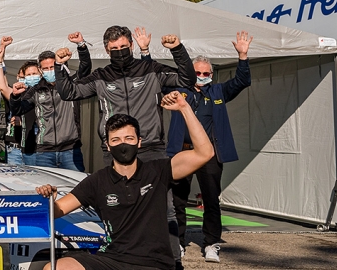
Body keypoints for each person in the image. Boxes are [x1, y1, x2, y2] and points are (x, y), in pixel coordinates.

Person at [55, 26, 195, 267]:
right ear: (107, 50)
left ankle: (173, 261)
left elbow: (186, 79)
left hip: (150, 148)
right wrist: (60, 65)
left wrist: (177, 50)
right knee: (114, 207)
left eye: (123, 47)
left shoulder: (150, 69)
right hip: (114, 150)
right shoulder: (101, 76)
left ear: (131, 46)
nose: (119, 52)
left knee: (165, 208)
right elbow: (69, 92)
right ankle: (120, 256)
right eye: (114, 49)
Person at [35, 92, 214, 270]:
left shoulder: (159, 170)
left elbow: (205, 153)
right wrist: (48, 197)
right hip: (112, 259)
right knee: (55, 267)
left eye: (129, 138)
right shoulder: (97, 180)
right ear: (107, 145)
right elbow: (56, 211)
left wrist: (184, 108)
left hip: (155, 264)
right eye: (116, 140)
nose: (123, 144)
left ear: (139, 142)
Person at [166, 32, 253, 264]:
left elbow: (242, 81)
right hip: (182, 151)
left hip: (210, 155)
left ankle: (211, 243)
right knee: (177, 201)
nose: (202, 76)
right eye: (198, 73)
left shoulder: (218, 92)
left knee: (212, 200)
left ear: (211, 75)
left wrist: (242, 56)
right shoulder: (178, 91)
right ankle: (179, 243)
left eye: (206, 73)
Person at [0, 34, 90, 172]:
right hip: (45, 150)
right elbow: (19, 109)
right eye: (45, 69)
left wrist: (81, 45)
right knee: (44, 189)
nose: (49, 71)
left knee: (75, 187)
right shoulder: (36, 90)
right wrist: (15, 96)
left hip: (70, 149)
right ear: (40, 70)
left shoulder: (70, 84)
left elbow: (85, 69)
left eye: (52, 67)